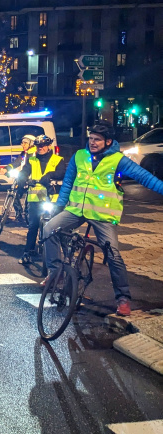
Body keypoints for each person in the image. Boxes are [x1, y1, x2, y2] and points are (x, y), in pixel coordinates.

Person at [45, 121, 163, 316]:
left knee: (113, 254)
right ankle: (56, 272)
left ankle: (123, 298)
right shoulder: (79, 156)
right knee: (49, 229)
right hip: (75, 210)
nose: (92, 142)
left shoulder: (118, 160)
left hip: (102, 215)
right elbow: (68, 182)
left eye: (97, 140)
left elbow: (145, 177)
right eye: (90, 138)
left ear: (108, 141)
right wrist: (59, 206)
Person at [20, 135, 66, 264]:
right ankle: (27, 252)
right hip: (36, 196)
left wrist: (50, 175)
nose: (41, 148)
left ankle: (63, 255)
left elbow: (62, 172)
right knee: (33, 225)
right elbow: (25, 171)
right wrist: (22, 179)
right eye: (38, 146)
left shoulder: (58, 159)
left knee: (56, 226)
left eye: (43, 146)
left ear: (49, 146)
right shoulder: (32, 160)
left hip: (52, 196)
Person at [5, 135, 37, 222]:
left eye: (25, 143)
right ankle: (19, 213)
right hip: (23, 178)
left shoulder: (36, 153)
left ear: (31, 143)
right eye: (22, 143)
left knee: (32, 201)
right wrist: (9, 167)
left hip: (34, 180)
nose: (23, 145)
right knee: (14, 193)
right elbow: (17, 162)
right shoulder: (24, 153)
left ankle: (29, 215)